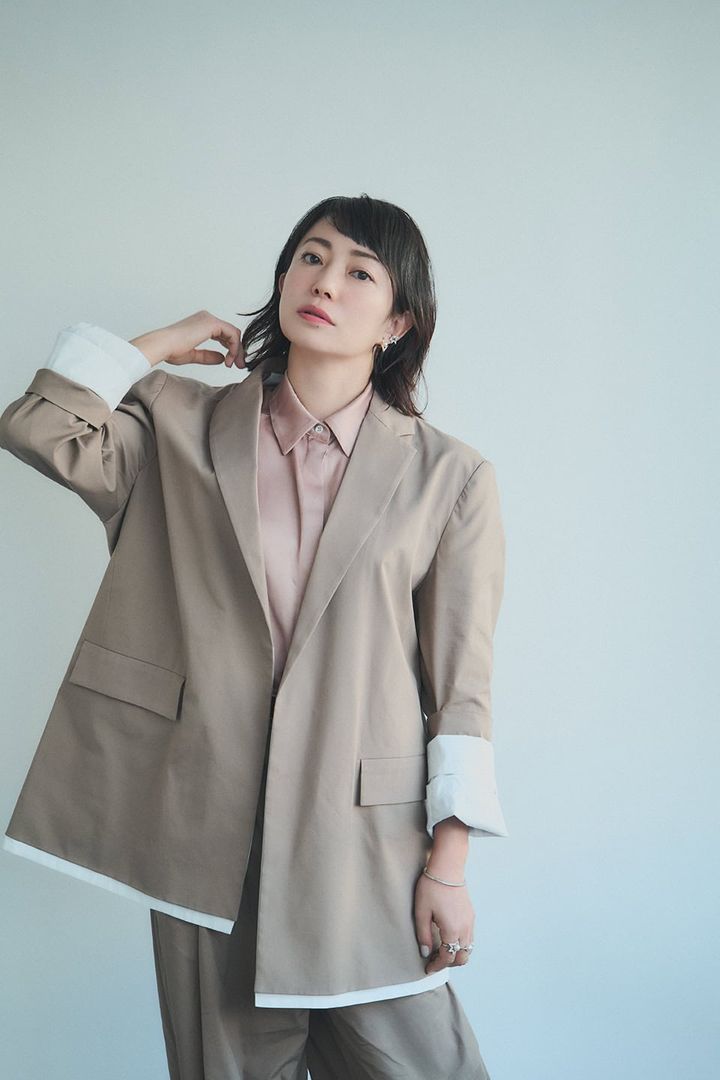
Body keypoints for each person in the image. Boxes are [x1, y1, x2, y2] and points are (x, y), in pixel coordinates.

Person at [0, 194, 508, 1079]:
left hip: (364, 845)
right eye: (310, 257)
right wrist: (158, 344)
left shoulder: (449, 477)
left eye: (360, 272)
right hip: (204, 832)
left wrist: (448, 866)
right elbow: (39, 427)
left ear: (398, 322)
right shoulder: (177, 423)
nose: (325, 282)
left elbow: (460, 688)